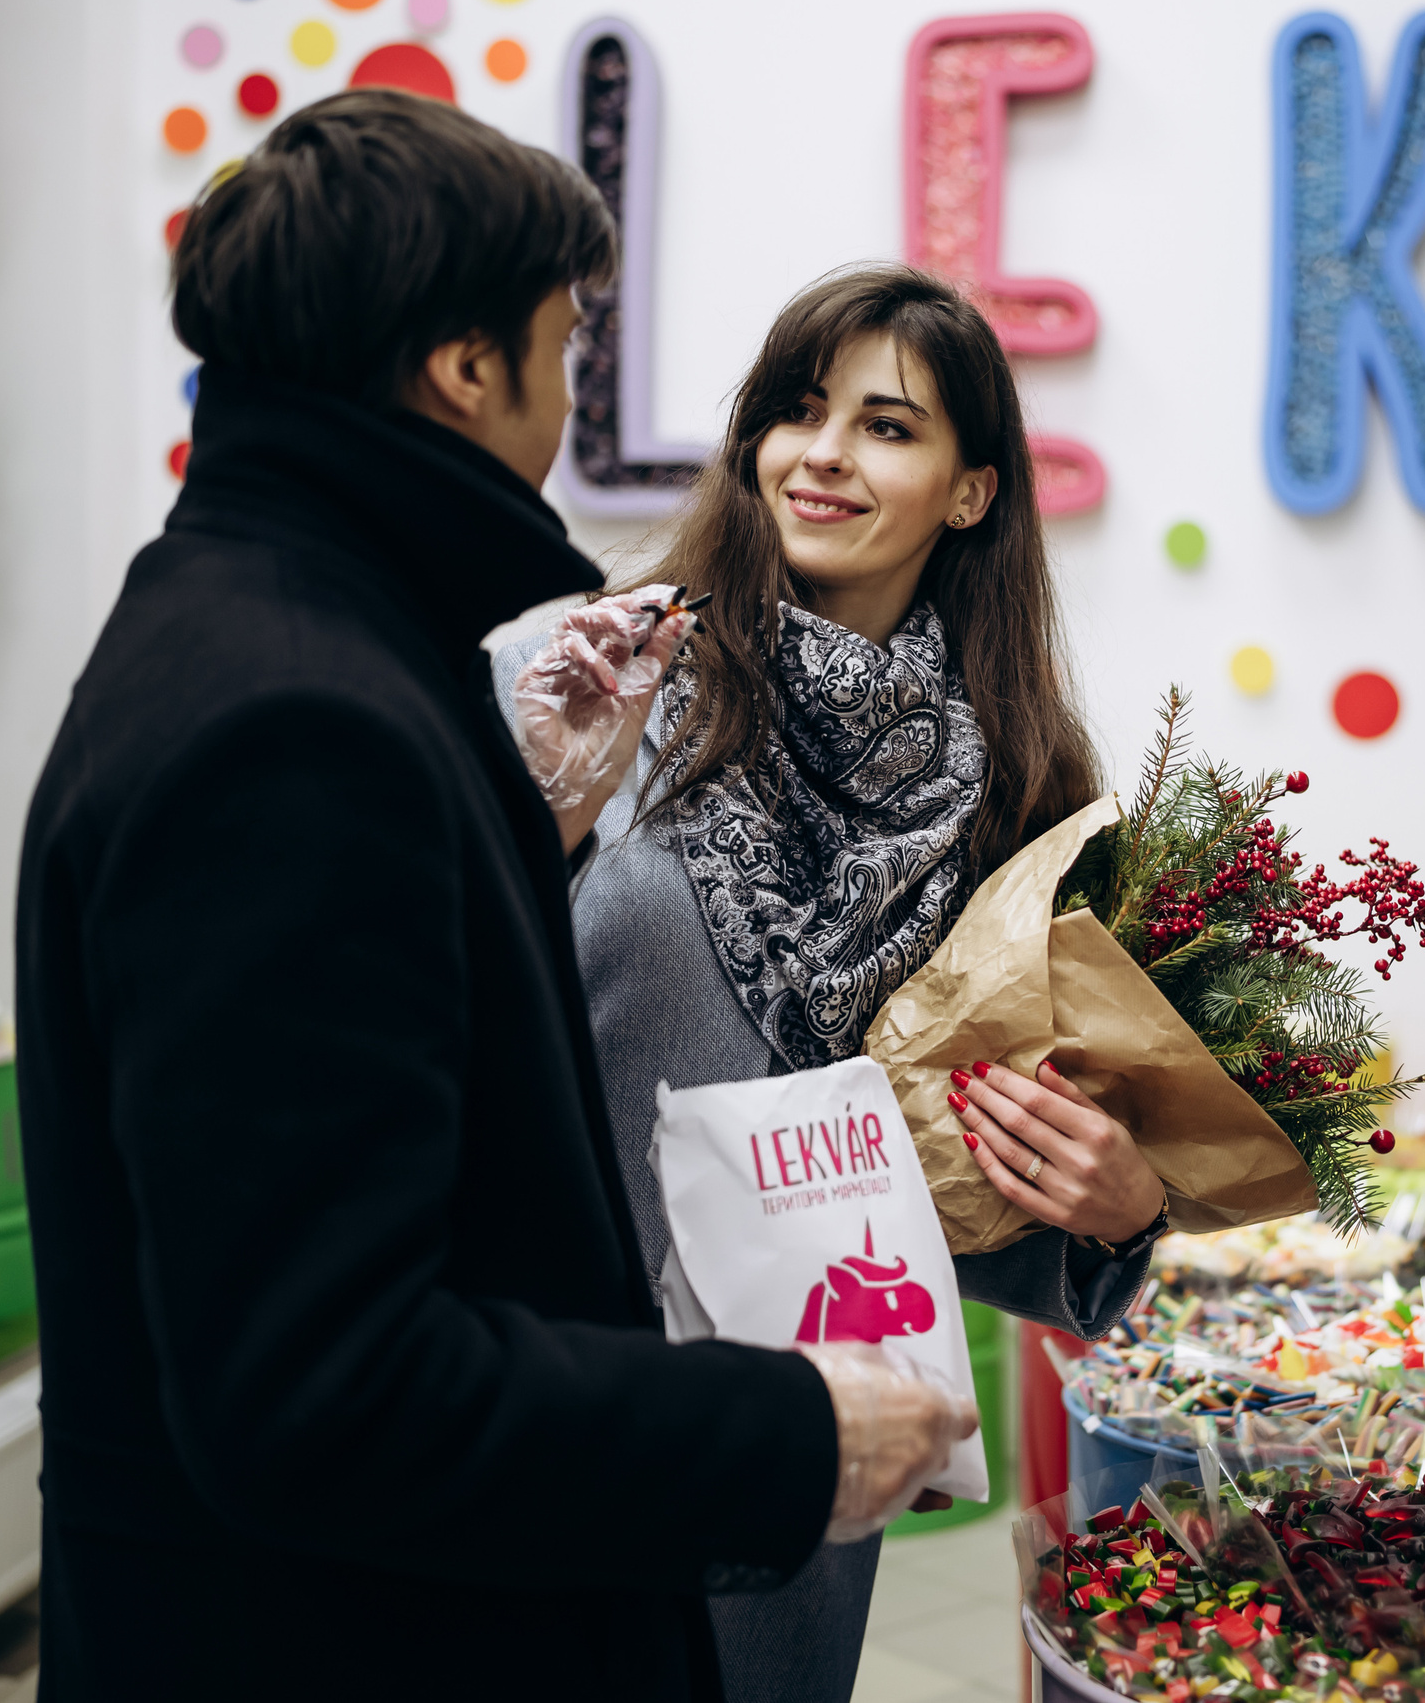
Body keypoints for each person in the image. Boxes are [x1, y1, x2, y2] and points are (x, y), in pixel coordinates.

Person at [13, 93, 968, 1702]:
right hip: (347, 1638)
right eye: (565, 341)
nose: (572, 383)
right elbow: (326, 1385)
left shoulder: (281, 627)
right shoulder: (298, 720)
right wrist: (786, 1427)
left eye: (892, 423)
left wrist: (532, 827)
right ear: (468, 367)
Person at [497, 264, 1170, 1703]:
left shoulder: (1019, 803)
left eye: (885, 427)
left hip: (801, 1436)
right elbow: (439, 1009)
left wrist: (1119, 1214)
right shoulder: (606, 681)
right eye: (797, 413)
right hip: (544, 1405)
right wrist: (544, 819)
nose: (822, 455)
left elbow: (951, 1180)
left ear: (971, 491)